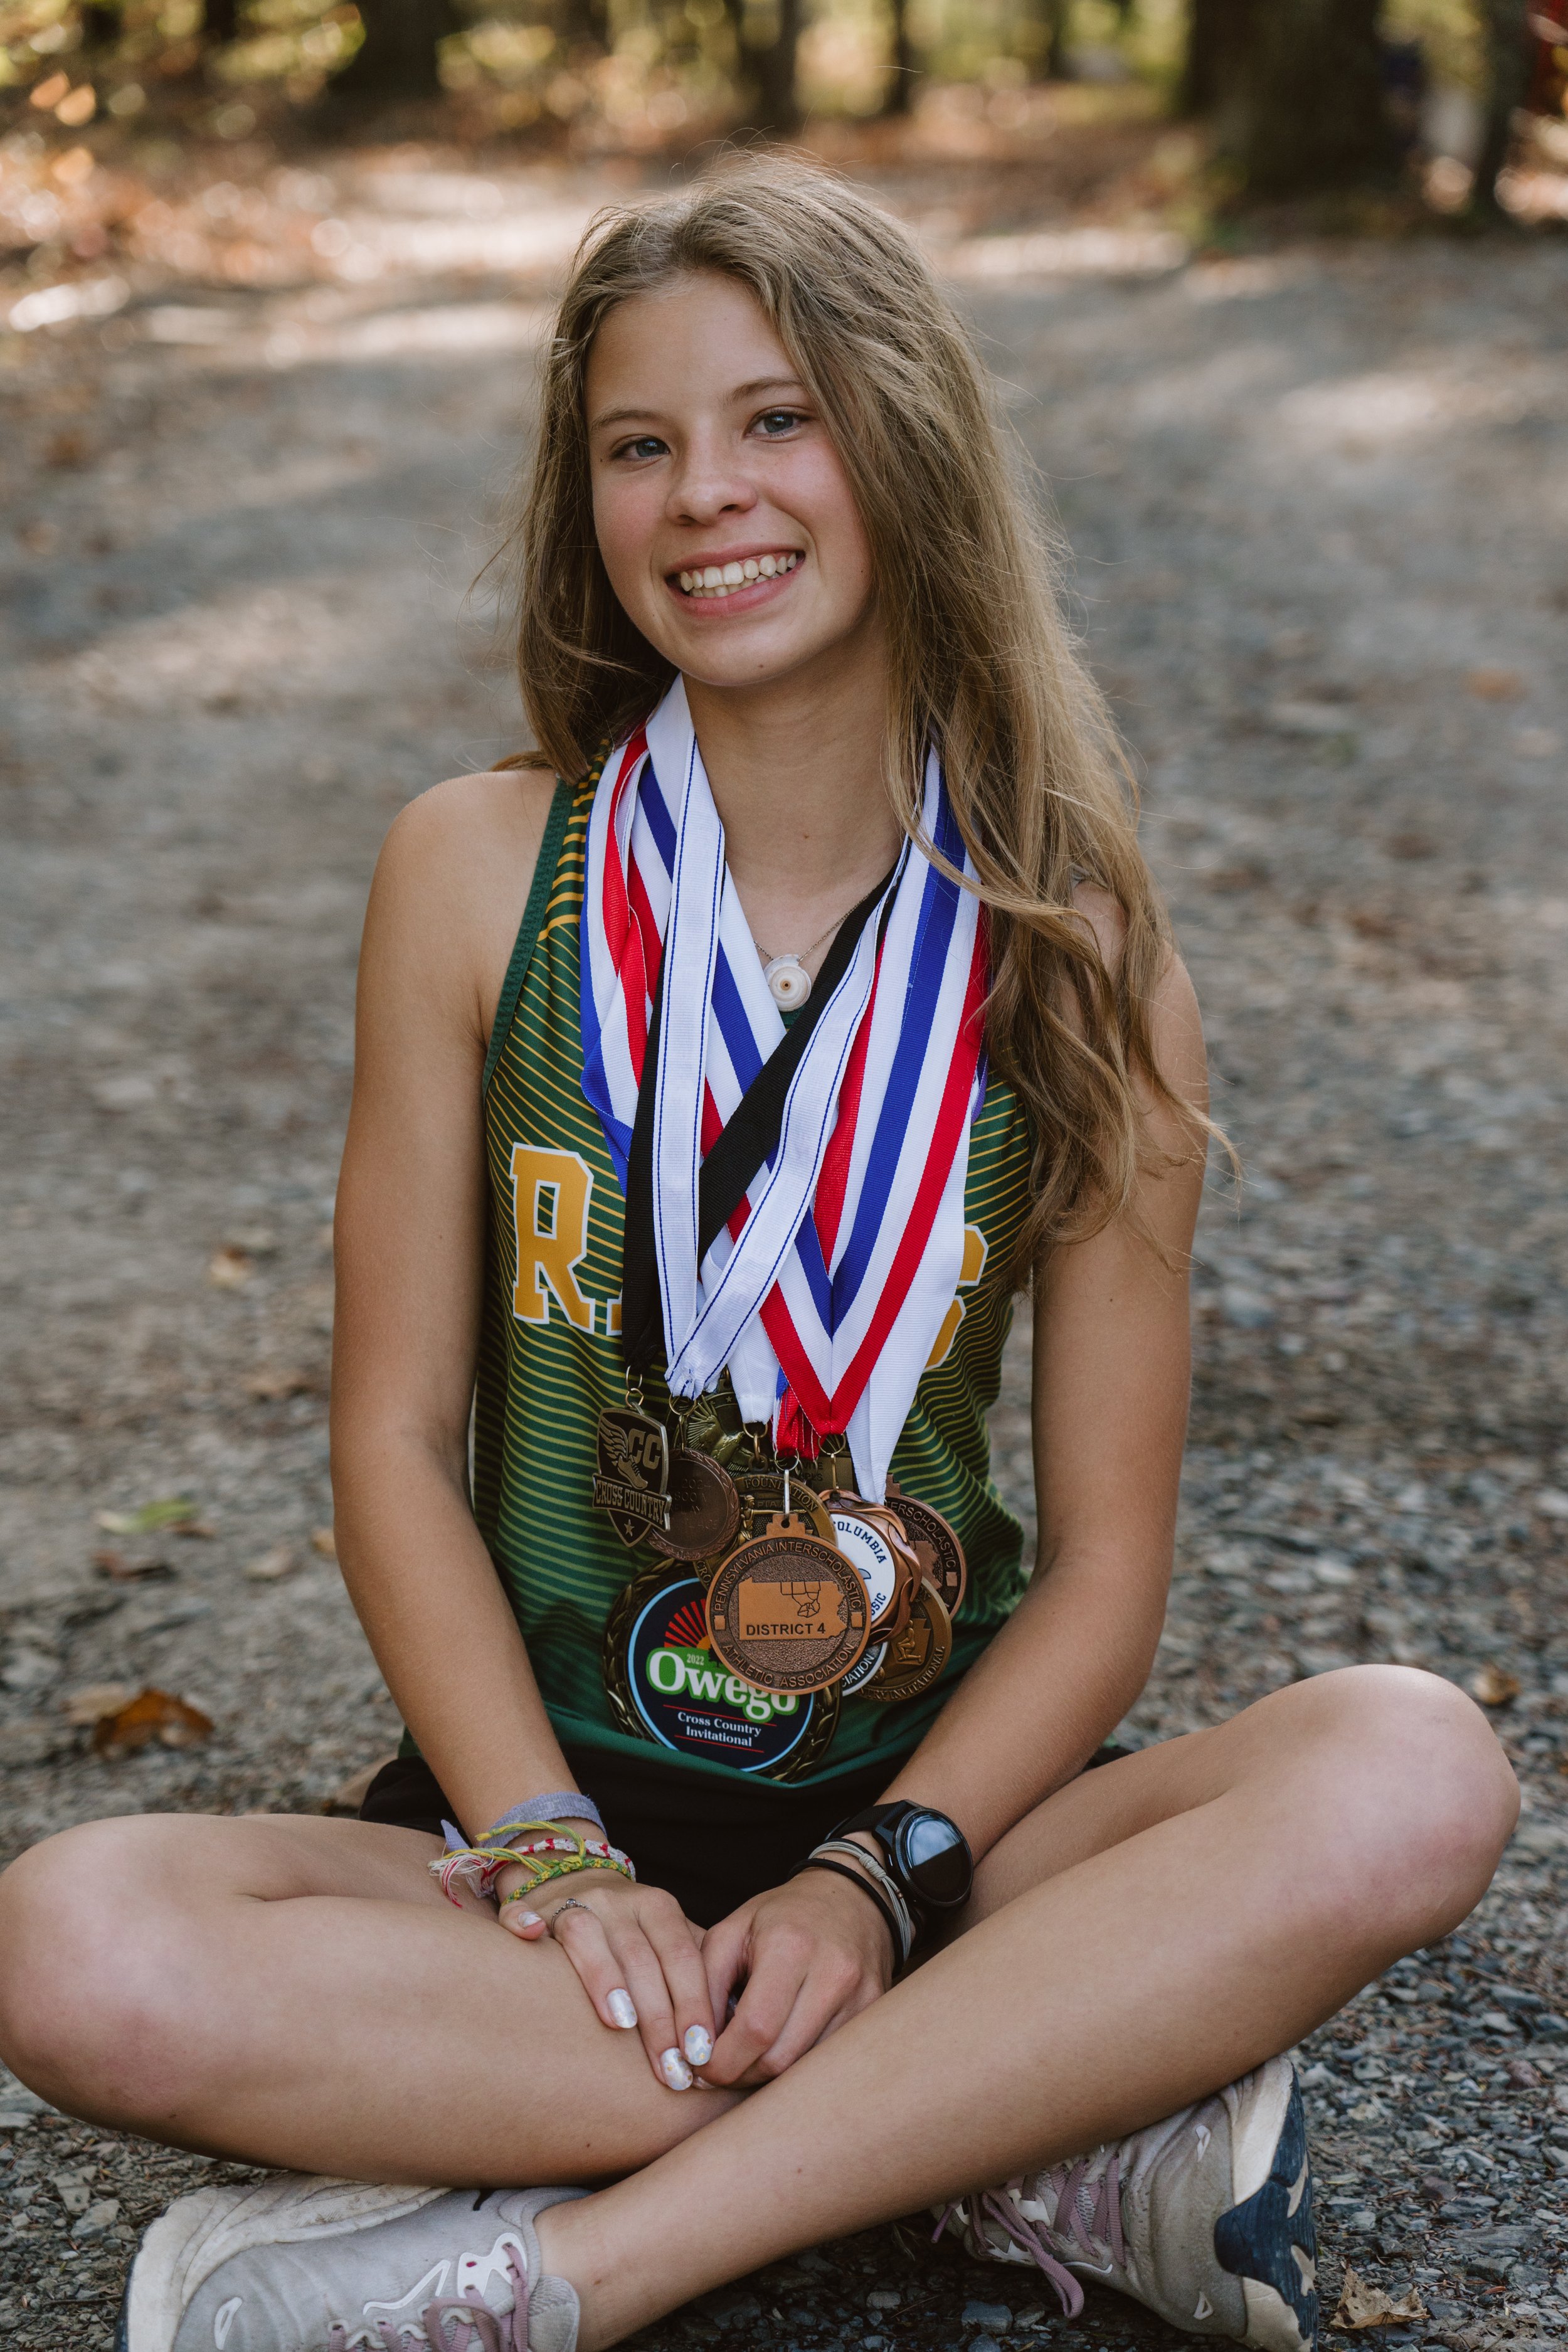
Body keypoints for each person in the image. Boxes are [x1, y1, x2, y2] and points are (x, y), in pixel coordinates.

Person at [0, 158, 1517, 2352]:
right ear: (586, 502)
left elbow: (1103, 1574)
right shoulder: (471, 873)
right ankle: (1033, 2134)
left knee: (1409, 1764)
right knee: (69, 1943)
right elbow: (397, 1443)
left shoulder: (1076, 957)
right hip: (524, 1862)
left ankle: (578, 2266)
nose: (706, 492)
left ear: (901, 443)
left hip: (945, 1843)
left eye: (775, 417)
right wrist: (543, 1849)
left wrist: (876, 1885)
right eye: (639, 443)